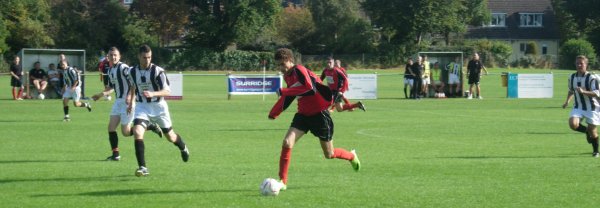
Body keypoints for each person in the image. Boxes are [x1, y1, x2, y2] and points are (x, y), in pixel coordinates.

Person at [268, 48, 361, 191]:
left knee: (329, 154)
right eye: (278, 65)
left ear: (290, 61)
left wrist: (283, 91)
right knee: (287, 142)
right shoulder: (288, 77)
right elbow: (290, 96)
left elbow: (309, 88)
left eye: (283, 64)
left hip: (320, 115)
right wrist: (275, 112)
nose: (281, 68)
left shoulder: (299, 69)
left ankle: (351, 156)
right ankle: (283, 181)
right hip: (303, 115)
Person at [127, 45, 190, 176]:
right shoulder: (132, 71)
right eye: (144, 57)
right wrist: (131, 102)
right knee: (138, 132)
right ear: (139, 57)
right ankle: (142, 167)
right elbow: (133, 86)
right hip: (142, 106)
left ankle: (183, 147)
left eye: (149, 57)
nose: (147, 60)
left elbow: (167, 91)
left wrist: (153, 93)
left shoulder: (158, 71)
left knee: (170, 137)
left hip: (159, 107)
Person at [91, 47, 163, 161]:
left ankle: (151, 126)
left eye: (115, 55)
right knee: (111, 127)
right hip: (118, 102)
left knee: (125, 132)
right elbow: (111, 87)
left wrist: (130, 96)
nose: (113, 57)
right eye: (111, 55)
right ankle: (116, 154)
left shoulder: (124, 68)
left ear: (119, 56)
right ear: (107, 57)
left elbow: (133, 82)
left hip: (127, 102)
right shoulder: (110, 70)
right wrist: (100, 95)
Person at [562, 55, 600, 157]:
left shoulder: (592, 78)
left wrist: (584, 92)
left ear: (586, 65)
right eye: (577, 63)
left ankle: (596, 151)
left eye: (581, 63)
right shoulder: (572, 77)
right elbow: (571, 90)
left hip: (592, 107)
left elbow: (597, 93)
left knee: (593, 131)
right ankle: (586, 132)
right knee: (572, 124)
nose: (579, 65)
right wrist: (567, 101)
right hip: (578, 106)